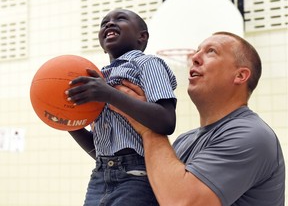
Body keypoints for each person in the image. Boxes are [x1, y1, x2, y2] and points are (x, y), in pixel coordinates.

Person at [113, 31, 286, 206]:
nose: (194, 57)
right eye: (197, 51)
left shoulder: (252, 135)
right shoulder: (184, 140)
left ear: (240, 75)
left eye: (211, 51)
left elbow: (183, 202)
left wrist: (148, 124)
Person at [66, 9, 177, 205]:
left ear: (141, 37)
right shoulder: (98, 79)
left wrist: (108, 94)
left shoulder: (148, 64)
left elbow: (166, 121)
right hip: (100, 175)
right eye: (104, 22)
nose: (109, 24)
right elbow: (97, 149)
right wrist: (69, 122)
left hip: (137, 174)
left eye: (120, 19)